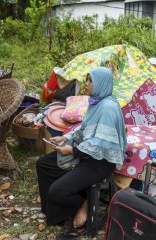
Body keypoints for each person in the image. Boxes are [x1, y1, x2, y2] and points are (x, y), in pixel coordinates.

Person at [36, 66, 127, 240]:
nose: (86, 84)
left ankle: (82, 204)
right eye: (87, 80)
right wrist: (65, 138)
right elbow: (84, 128)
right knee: (43, 164)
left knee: (57, 191)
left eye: (90, 80)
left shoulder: (108, 108)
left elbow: (100, 144)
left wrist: (72, 150)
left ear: (101, 83)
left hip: (100, 162)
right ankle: (57, 214)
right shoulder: (97, 101)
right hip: (87, 154)